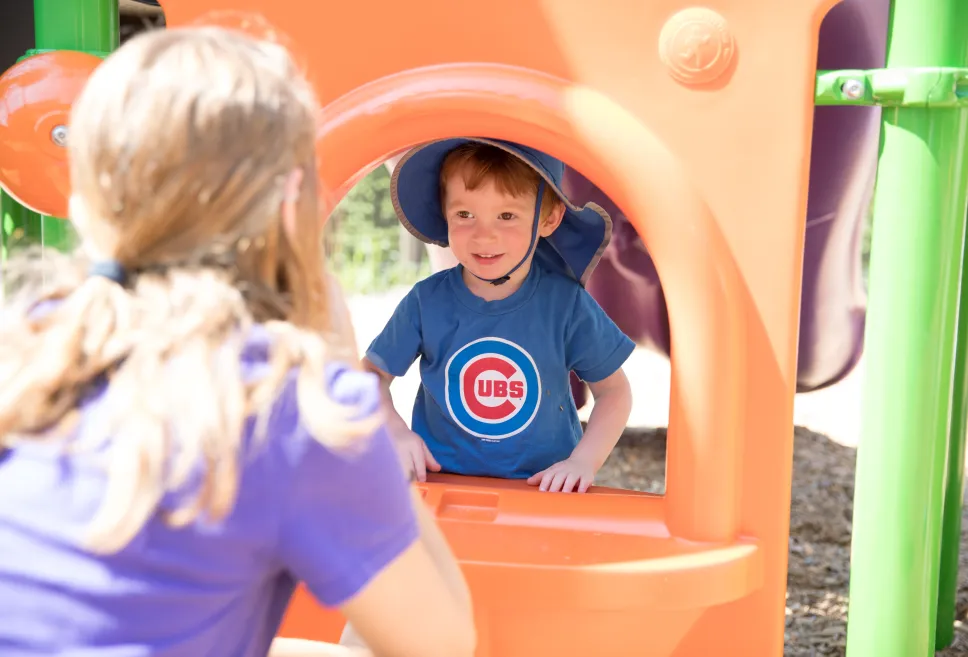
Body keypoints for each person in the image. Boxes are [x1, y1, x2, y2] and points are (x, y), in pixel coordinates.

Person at [0, 27, 474, 657]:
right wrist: (344, 383)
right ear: (287, 203)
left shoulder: (30, 352)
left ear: (88, 201)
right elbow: (440, 643)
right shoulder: (286, 404)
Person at [365, 139, 634, 493]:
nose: (484, 235)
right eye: (465, 215)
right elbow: (369, 377)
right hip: (444, 489)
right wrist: (396, 433)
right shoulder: (425, 302)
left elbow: (614, 392)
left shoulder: (567, 306)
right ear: (444, 212)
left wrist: (583, 461)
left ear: (548, 218)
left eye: (507, 216)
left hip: (541, 492)